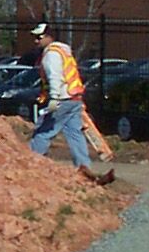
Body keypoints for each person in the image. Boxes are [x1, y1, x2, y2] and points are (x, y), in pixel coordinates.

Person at [29, 21, 115, 185]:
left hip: (62, 100)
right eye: (34, 37)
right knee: (75, 134)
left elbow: (55, 77)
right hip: (74, 99)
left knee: (42, 132)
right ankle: (84, 168)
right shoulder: (63, 51)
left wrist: (54, 98)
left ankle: (31, 166)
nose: (36, 41)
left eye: (39, 37)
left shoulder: (51, 55)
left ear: (48, 36)